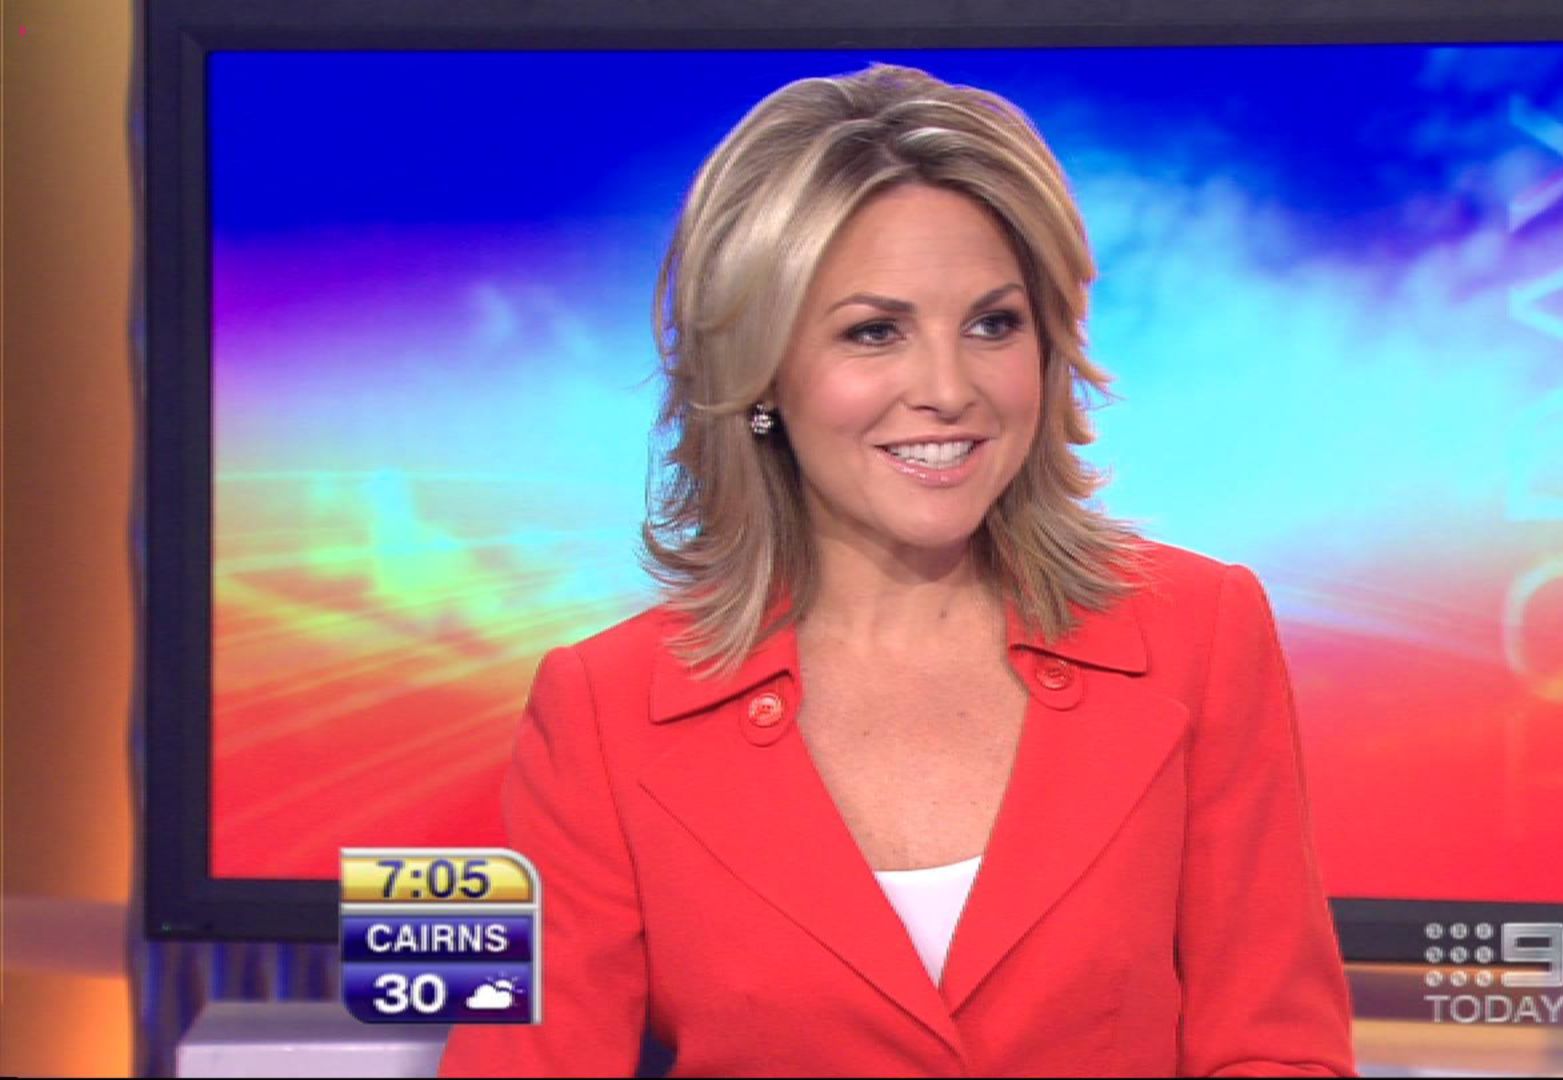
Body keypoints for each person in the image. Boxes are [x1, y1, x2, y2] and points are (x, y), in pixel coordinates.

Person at [438, 62, 1355, 1078]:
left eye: (993, 324)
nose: (948, 387)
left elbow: (1276, 1049)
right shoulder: (599, 713)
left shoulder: (1201, 631)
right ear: (759, 372)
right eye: (874, 332)